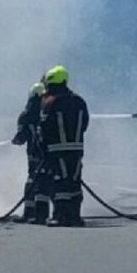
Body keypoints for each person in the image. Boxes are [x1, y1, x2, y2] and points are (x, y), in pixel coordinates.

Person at [38, 65, 89, 227]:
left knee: (59, 183)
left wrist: (42, 147)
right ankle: (75, 217)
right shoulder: (79, 101)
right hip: (77, 149)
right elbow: (85, 124)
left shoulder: (51, 102)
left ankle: (60, 216)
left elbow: (44, 127)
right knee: (74, 182)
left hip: (56, 150)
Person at [12, 82, 45, 223]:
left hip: (34, 154)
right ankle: (50, 213)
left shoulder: (25, 115)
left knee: (33, 180)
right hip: (50, 154)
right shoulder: (49, 109)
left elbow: (21, 138)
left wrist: (16, 140)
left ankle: (30, 213)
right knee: (49, 181)